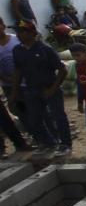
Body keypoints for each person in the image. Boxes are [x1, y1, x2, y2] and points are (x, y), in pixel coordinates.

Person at [10, 21, 73, 157]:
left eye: (23, 31)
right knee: (34, 118)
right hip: (31, 89)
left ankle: (65, 144)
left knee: (58, 116)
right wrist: (15, 91)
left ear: (32, 33)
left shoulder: (45, 49)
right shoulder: (17, 50)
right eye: (18, 32)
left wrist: (53, 88)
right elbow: (18, 71)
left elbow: (62, 70)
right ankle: (47, 143)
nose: (19, 35)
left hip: (50, 87)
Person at [0, 18, 30, 157]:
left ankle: (23, 142)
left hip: (24, 81)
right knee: (16, 110)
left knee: (32, 108)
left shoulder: (14, 40)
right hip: (7, 83)